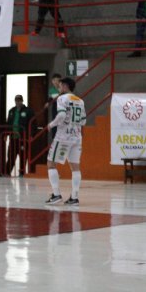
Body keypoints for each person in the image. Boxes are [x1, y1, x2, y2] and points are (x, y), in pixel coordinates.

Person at [44, 78, 86, 206]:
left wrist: (51, 124)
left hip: (63, 136)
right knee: (75, 167)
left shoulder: (62, 98)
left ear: (65, 86)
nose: (59, 87)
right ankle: (74, 197)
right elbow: (83, 121)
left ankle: (56, 194)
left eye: (60, 85)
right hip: (77, 137)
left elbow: (62, 115)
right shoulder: (80, 100)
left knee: (51, 164)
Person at [5, 95, 33, 177]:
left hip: (23, 138)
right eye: (16, 100)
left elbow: (33, 124)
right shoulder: (11, 111)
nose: (18, 102)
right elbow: (8, 123)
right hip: (13, 138)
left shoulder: (28, 111)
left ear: (22, 101)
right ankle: (7, 172)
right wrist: (6, 134)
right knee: (11, 155)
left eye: (19, 100)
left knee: (23, 156)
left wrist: (31, 135)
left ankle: (22, 172)